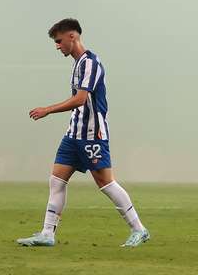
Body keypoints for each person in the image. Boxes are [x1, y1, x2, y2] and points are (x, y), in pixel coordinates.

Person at [16, 18, 149, 248]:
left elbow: (80, 98)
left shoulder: (91, 63)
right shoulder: (78, 63)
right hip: (74, 133)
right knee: (57, 180)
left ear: (72, 37)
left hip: (91, 134)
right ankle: (47, 233)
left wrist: (47, 110)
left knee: (106, 183)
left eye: (58, 41)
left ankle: (139, 230)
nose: (57, 46)